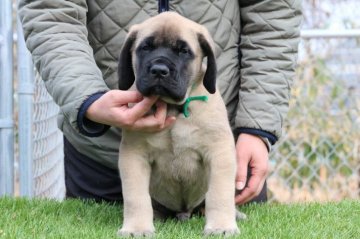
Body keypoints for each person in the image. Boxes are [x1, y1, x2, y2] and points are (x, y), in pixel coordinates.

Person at [18, 0, 302, 205]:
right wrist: (88, 99)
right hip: (105, 145)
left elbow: (273, 13)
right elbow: (50, 11)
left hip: (221, 152)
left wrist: (256, 127)